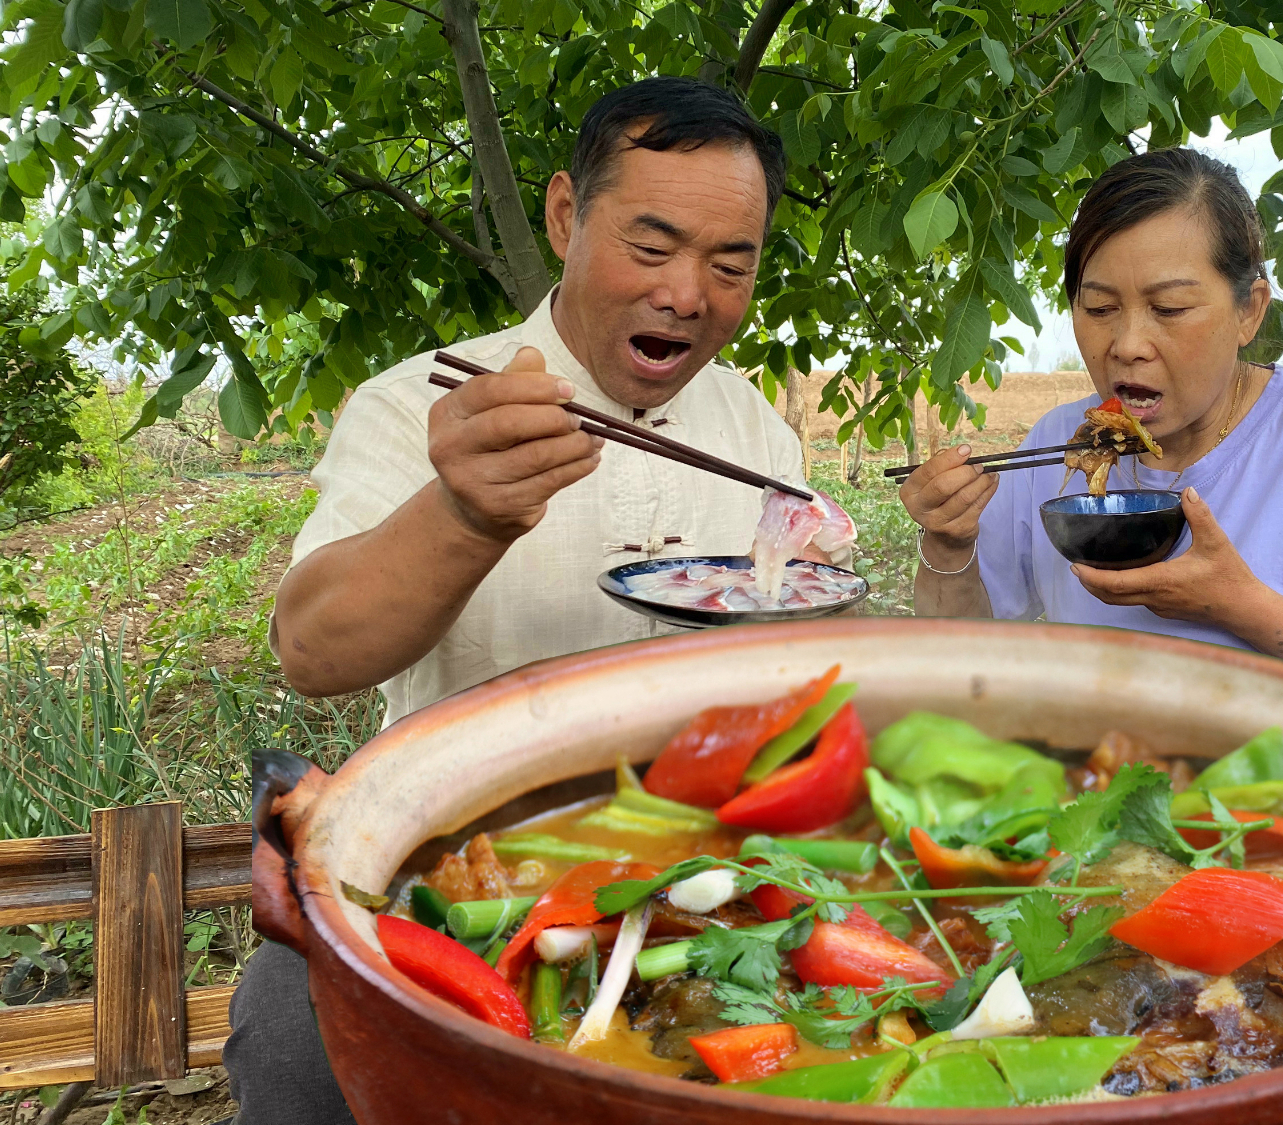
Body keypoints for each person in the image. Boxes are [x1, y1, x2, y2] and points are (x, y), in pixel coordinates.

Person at [226, 76, 821, 1125]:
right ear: (562, 216)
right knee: (288, 1046)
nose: (687, 294)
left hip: (686, 884)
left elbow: (796, 666)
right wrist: (462, 514)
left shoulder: (759, 439)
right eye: (650, 246)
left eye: (731, 265)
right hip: (443, 876)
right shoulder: (423, 403)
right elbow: (310, 653)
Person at [902, 147, 1283, 728]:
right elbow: (959, 665)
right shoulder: (1061, 442)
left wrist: (1244, 607)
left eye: (1170, 307)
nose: (1127, 343)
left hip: (1281, 804)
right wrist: (949, 548)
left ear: (1249, 311)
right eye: (1100, 307)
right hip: (1099, 789)